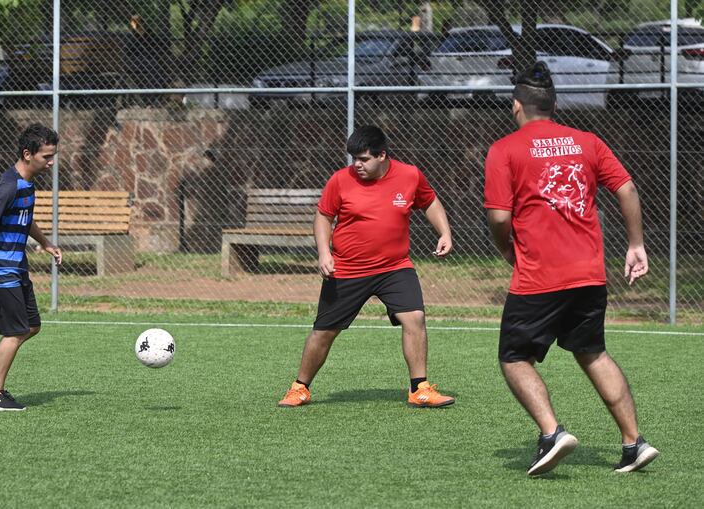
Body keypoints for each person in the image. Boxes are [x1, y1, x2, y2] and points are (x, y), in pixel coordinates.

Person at [483, 62, 659, 475]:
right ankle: (634, 443)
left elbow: (497, 217)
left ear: (516, 107)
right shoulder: (586, 141)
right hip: (589, 274)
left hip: (540, 275)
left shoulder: (504, 150)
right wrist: (636, 244)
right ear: (554, 104)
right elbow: (627, 188)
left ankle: (551, 434)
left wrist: (507, 249)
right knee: (592, 352)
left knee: (513, 356)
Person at [278, 125, 455, 408]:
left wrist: (444, 233)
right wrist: (324, 253)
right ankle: (300, 387)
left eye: (363, 159)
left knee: (415, 318)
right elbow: (323, 217)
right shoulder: (340, 180)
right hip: (347, 270)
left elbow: (430, 201)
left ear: (382, 155)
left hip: (395, 267)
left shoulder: (409, 175)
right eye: (354, 159)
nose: (357, 165)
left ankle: (419, 388)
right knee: (324, 331)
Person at [0, 123, 62, 412]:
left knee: (31, 326)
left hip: (17, 267)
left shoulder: (27, 183)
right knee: (16, 330)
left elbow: (24, 218)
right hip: (0, 269)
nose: (51, 162)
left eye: (53, 155)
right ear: (28, 154)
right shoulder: (9, 185)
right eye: (47, 156)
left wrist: (45, 243)